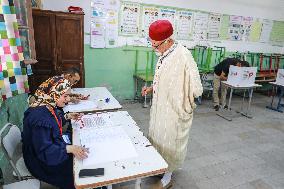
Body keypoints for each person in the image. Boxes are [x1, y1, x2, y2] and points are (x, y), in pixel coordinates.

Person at [141, 20, 203, 189]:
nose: (154, 48)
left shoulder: (183, 55)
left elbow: (196, 87)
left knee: (170, 142)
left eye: (156, 45)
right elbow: (165, 78)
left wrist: (186, 102)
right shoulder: (164, 53)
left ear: (168, 40)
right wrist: (152, 87)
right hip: (161, 107)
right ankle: (160, 166)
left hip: (175, 109)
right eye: (152, 44)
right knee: (158, 138)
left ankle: (167, 179)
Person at [22, 77, 89, 189]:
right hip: (41, 161)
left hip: (50, 147)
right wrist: (70, 149)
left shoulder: (45, 104)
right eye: (65, 96)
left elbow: (52, 121)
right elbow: (45, 151)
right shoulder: (39, 118)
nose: (68, 99)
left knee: (77, 148)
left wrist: (66, 116)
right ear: (53, 93)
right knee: (79, 171)